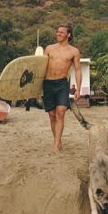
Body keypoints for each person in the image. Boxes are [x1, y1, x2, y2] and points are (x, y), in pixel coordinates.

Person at [43, 24, 82, 153]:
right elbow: (40, 67)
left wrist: (78, 88)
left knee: (61, 112)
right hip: (48, 83)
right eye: (57, 32)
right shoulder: (49, 49)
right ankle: (58, 140)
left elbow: (77, 70)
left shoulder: (74, 51)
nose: (58, 34)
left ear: (68, 35)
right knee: (52, 115)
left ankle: (55, 145)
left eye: (61, 32)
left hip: (62, 84)